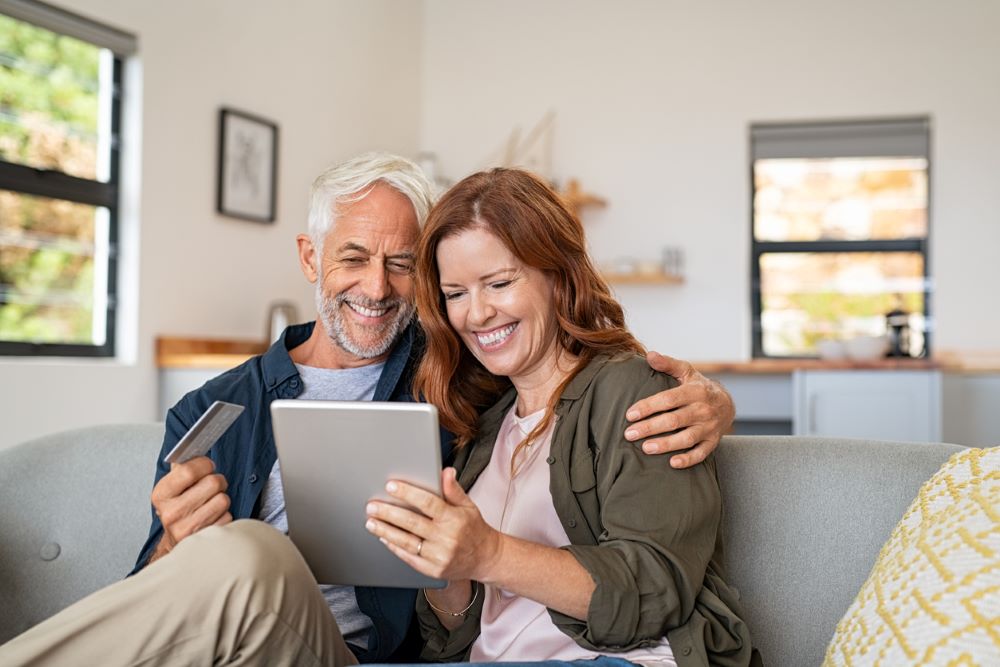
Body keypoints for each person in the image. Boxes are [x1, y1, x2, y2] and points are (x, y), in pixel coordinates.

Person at [0, 154, 736, 666]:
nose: (378, 289)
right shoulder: (215, 406)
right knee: (229, 554)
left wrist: (711, 401)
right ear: (308, 257)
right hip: (228, 645)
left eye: (404, 265)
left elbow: (579, 392)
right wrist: (170, 547)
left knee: (252, 552)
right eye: (353, 257)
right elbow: (151, 614)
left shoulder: (455, 380)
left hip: (349, 654)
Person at [364, 168, 755, 666]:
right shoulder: (486, 421)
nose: (476, 314)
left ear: (557, 275)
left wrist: (489, 553)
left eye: (499, 283)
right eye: (456, 293)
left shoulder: (634, 391)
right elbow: (457, 634)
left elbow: (657, 590)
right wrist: (446, 566)